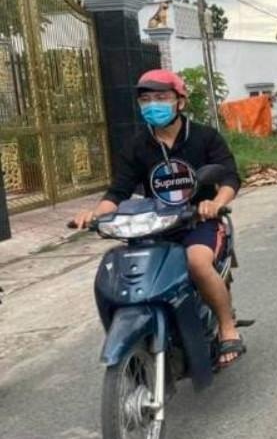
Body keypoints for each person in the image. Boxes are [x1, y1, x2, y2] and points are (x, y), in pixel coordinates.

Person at [72, 69, 246, 369]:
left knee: (196, 262)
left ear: (180, 101)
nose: (153, 104)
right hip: (155, 226)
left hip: (198, 222)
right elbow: (118, 191)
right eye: (146, 99)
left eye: (162, 97)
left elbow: (229, 177)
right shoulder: (137, 145)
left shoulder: (204, 137)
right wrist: (94, 214)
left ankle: (227, 326)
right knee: (124, 271)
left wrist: (216, 203)